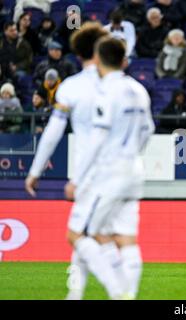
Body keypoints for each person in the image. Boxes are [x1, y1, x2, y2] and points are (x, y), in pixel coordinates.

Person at [25, 22, 129, 301]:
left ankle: (118, 290)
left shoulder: (71, 87)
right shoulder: (120, 84)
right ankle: (76, 293)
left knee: (80, 235)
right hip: (121, 169)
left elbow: (53, 132)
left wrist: (35, 170)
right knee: (93, 234)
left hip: (88, 172)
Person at [63, 35, 154, 299]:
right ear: (123, 60)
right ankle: (129, 293)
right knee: (125, 238)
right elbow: (148, 130)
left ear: (99, 59)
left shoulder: (106, 91)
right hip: (134, 171)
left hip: (110, 172)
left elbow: (96, 140)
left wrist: (76, 179)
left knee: (77, 234)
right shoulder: (139, 89)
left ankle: (117, 291)